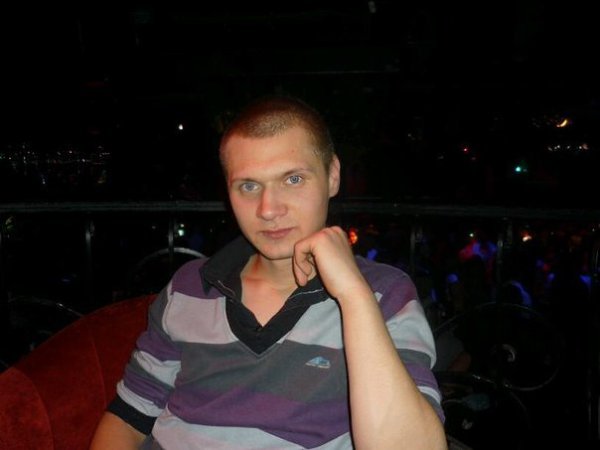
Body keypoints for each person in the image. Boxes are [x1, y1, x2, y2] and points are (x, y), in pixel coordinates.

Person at [90, 95, 446, 449]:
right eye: (248, 186)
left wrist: (354, 295)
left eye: (293, 179)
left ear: (332, 176)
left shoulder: (383, 296)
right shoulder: (188, 286)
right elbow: (128, 418)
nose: (268, 210)